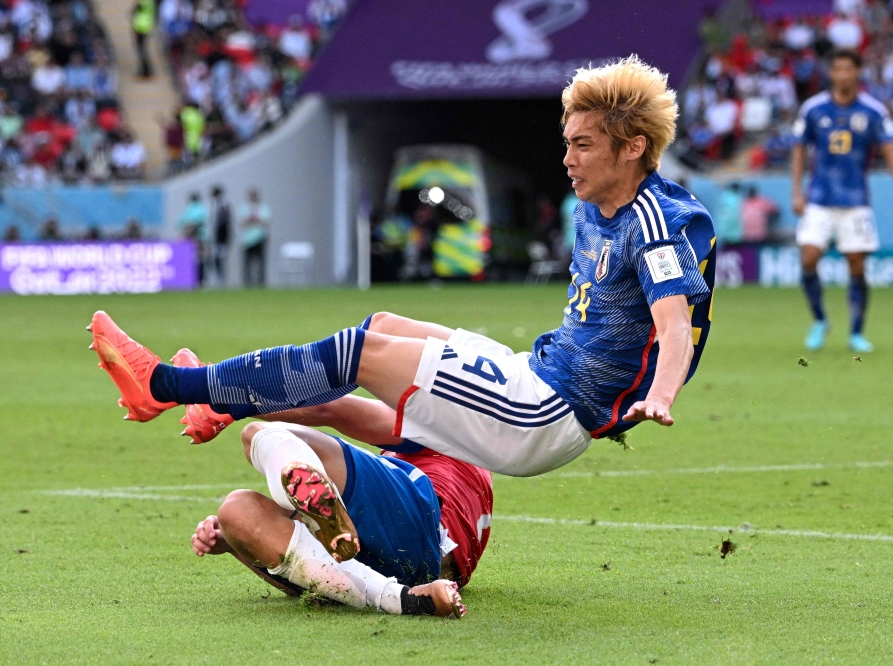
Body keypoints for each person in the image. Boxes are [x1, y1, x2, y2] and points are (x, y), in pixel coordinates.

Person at [86, 55, 715, 479]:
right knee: (381, 327)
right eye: (567, 143)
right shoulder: (595, 206)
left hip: (546, 412)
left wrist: (659, 398)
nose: (568, 159)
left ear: (633, 147)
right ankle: (226, 403)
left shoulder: (653, 220)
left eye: (583, 145)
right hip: (535, 372)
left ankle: (166, 387)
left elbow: (674, 323)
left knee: (362, 352)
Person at [176, 351, 489, 617]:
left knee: (256, 436)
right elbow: (305, 574)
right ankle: (401, 599)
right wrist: (237, 544)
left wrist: (218, 396)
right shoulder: (475, 456)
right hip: (413, 567)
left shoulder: (447, 420)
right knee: (235, 512)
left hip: (422, 520)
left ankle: (317, 513)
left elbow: (329, 409)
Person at [791, 48, 893, 353]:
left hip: (855, 200)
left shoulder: (874, 111)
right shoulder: (813, 109)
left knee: (856, 266)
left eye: (849, 69)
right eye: (838, 69)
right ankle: (820, 320)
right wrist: (797, 191)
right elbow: (798, 149)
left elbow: (889, 150)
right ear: (831, 73)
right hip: (819, 199)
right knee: (808, 258)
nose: (843, 74)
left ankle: (857, 332)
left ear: (858, 72)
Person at [238, 188, 270, 286]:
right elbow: (241, 223)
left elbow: (267, 222)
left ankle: (261, 283)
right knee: (247, 263)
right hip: (247, 240)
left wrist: (257, 219)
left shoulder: (263, 207)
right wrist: (250, 220)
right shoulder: (244, 207)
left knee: (261, 262)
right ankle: (247, 283)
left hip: (260, 238)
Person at [178, 192, 209, 285]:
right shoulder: (201, 209)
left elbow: (181, 222)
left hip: (194, 238)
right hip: (199, 238)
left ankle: (193, 279)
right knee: (200, 259)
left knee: (195, 259)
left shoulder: (188, 209)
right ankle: (200, 279)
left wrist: (186, 233)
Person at [211, 186, 232, 285]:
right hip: (216, 237)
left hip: (222, 237)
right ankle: (219, 277)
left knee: (221, 258)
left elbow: (225, 222)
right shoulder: (214, 205)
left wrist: (226, 237)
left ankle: (222, 279)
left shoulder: (224, 205)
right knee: (216, 258)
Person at [131, 0, 156, 78]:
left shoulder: (144, 2)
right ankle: (147, 70)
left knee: (141, 50)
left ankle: (145, 70)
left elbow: (136, 10)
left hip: (141, 27)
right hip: (145, 26)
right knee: (143, 50)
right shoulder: (150, 2)